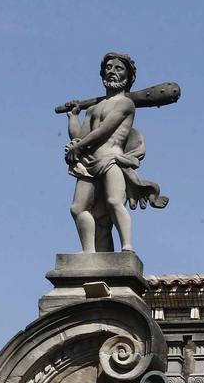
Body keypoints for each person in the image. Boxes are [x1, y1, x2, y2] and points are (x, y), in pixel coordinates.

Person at [62, 52, 167, 252]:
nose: (112, 72)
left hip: (111, 159)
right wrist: (73, 116)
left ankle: (127, 247)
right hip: (89, 163)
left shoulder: (125, 103)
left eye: (118, 69)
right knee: (78, 208)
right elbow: (79, 136)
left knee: (114, 202)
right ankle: (89, 254)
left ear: (128, 78)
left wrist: (79, 146)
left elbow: (104, 131)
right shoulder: (93, 109)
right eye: (108, 68)